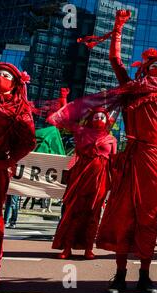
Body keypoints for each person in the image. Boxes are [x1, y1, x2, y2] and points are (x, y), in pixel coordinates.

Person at [80, 10, 157, 293]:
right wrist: (118, 28)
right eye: (149, 66)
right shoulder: (132, 92)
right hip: (132, 159)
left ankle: (144, 276)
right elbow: (115, 60)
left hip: (155, 164)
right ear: (143, 71)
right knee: (124, 216)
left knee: (148, 219)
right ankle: (119, 276)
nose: (154, 69)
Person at [48, 88, 117, 260]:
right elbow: (65, 120)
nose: (99, 118)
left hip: (100, 180)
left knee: (94, 214)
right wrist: (64, 99)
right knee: (74, 212)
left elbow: (115, 163)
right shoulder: (81, 132)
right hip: (80, 176)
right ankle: (67, 248)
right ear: (90, 119)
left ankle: (88, 248)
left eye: (102, 116)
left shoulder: (112, 140)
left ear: (107, 120)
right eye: (96, 116)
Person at [0, 62, 36, 287]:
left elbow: (28, 141)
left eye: (6, 75)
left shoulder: (20, 109)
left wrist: (8, 162)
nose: (1, 77)